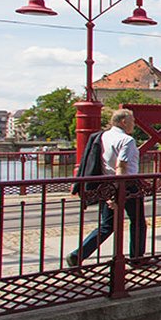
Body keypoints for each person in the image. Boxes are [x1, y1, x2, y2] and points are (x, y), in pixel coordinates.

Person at [67, 108, 146, 266]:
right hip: (127, 186)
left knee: (107, 226)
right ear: (123, 121)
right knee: (138, 222)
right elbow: (121, 166)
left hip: (106, 185)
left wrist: (110, 193)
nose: (134, 124)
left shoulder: (102, 136)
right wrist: (118, 193)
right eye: (132, 121)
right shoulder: (127, 140)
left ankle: (78, 255)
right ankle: (136, 258)